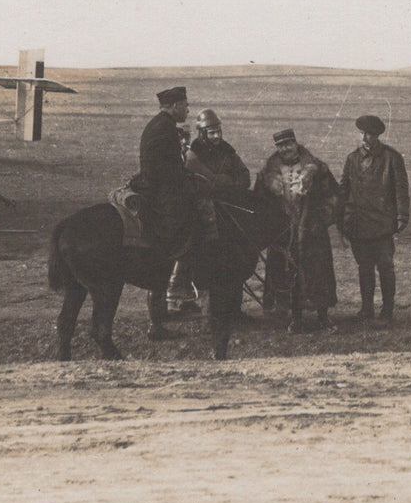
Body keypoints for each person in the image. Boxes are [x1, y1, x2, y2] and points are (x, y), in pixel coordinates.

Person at [176, 109, 255, 342]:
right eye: (211, 133)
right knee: (208, 262)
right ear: (202, 133)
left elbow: (244, 177)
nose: (216, 136)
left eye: (218, 131)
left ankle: (236, 311)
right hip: (205, 219)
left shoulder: (228, 152)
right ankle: (208, 313)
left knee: (236, 260)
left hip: (229, 214)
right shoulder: (193, 155)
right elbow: (194, 184)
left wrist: (228, 185)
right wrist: (219, 185)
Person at [256, 128, 340, 334]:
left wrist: (321, 219)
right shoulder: (268, 173)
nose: (285, 149)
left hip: (313, 233)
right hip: (283, 235)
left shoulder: (317, 169)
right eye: (281, 146)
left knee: (318, 275)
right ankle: (294, 318)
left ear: (295, 143)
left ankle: (323, 317)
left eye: (288, 144)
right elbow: (259, 203)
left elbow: (334, 196)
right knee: (286, 276)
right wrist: (270, 225)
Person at [339, 114, 409, 326]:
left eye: (368, 134)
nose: (364, 138)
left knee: (385, 267)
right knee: (364, 267)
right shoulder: (352, 159)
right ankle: (366, 309)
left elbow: (400, 189)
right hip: (359, 224)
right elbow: (344, 189)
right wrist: (340, 218)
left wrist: (402, 215)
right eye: (362, 133)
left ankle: (387, 311)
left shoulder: (392, 158)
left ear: (377, 135)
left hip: (382, 224)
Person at [130, 86, 197, 260]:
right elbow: (161, 168)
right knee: (187, 214)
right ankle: (174, 268)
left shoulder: (162, 123)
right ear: (175, 106)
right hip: (158, 185)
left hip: (154, 180)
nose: (187, 110)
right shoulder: (164, 127)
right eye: (185, 105)